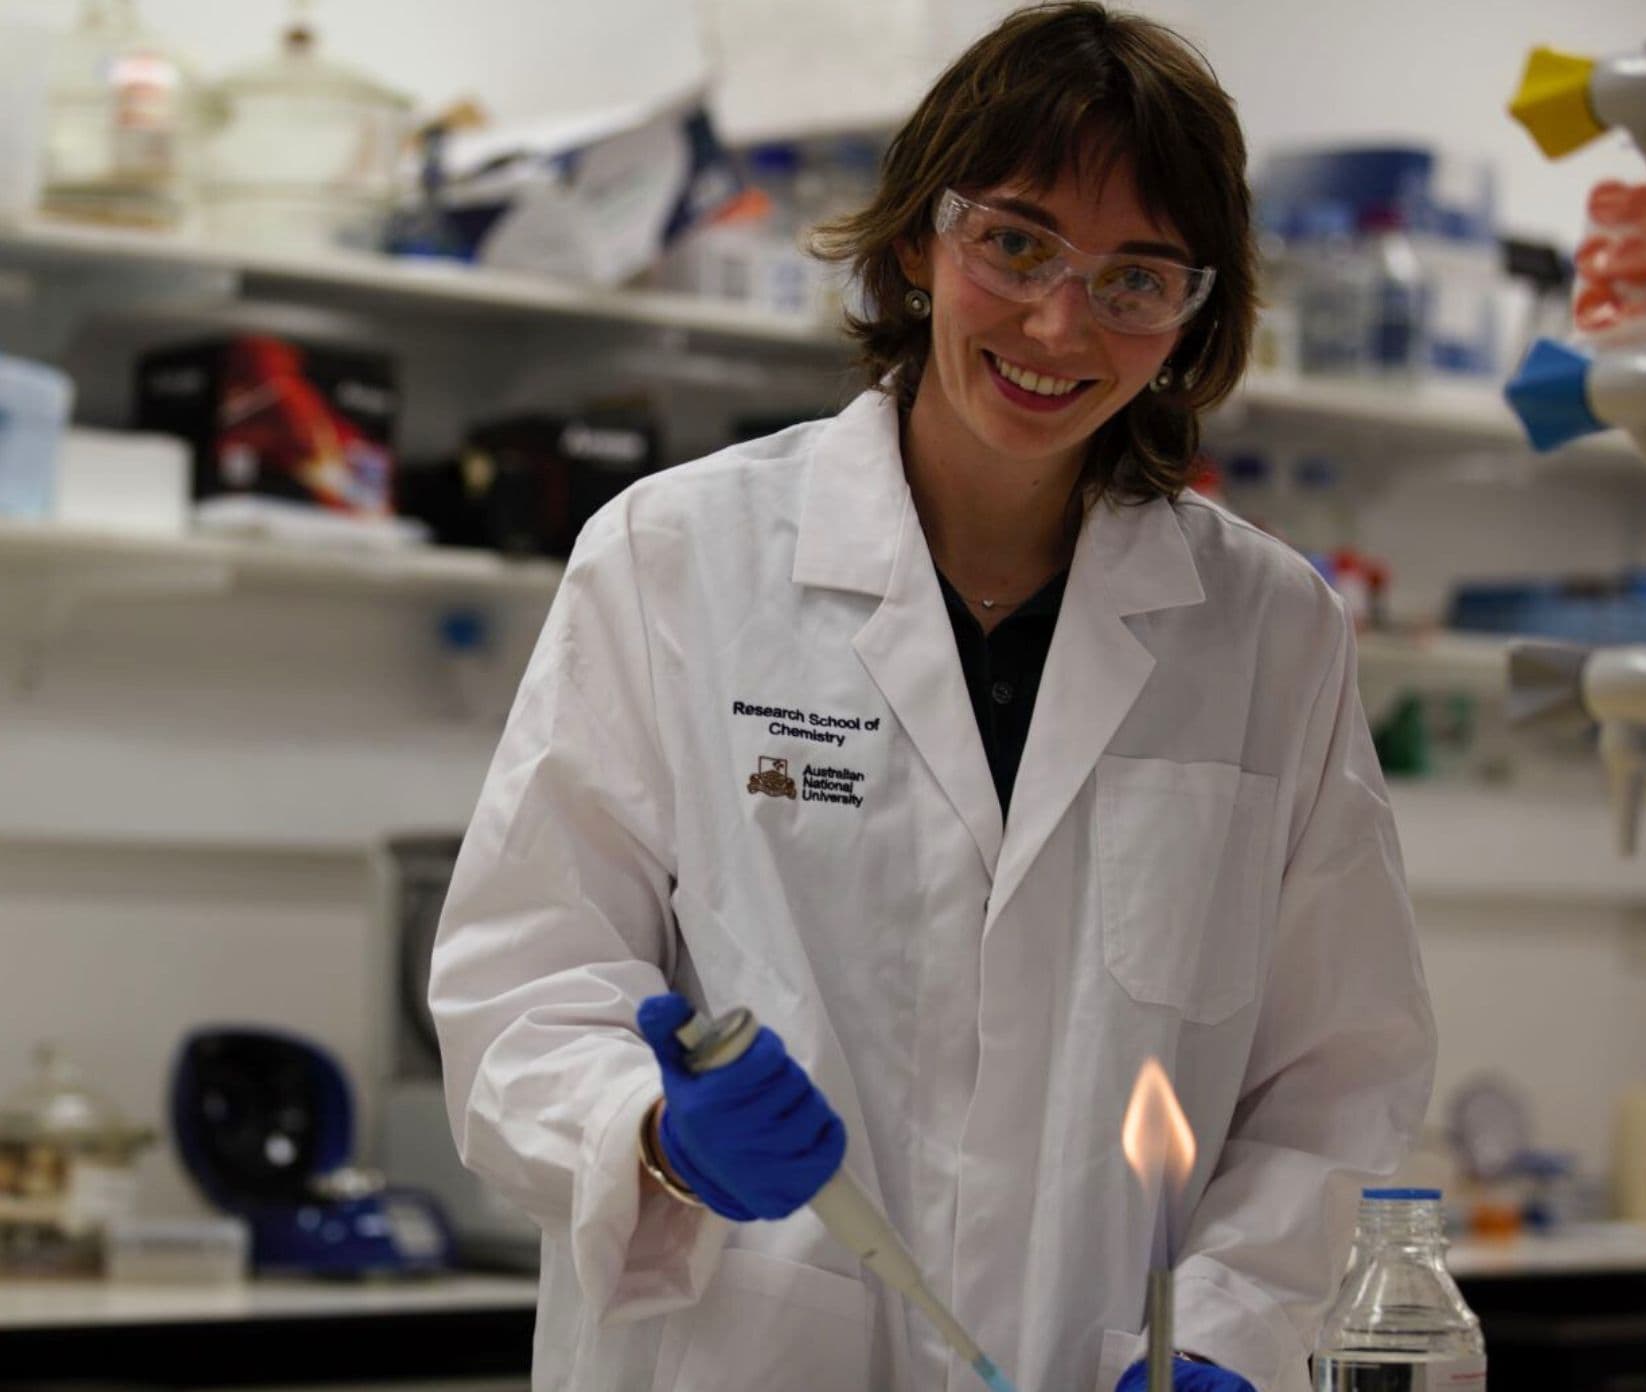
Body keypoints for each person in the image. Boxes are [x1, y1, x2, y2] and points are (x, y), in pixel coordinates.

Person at [428, 4, 1436, 1390]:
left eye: (1136, 278)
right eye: (1015, 243)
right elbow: (518, 994)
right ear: (920, 240)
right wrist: (652, 1129)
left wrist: (1229, 1332)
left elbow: (1338, 1077)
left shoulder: (1270, 633)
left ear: (1194, 310)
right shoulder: (676, 559)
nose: (1057, 321)